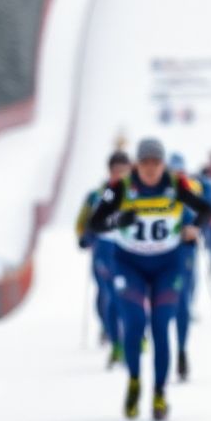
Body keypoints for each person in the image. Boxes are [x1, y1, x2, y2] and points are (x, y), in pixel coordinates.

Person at [90, 138, 211, 421]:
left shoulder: (175, 184)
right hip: (129, 263)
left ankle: (159, 392)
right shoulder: (121, 187)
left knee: (161, 327)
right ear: (137, 163)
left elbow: (206, 209)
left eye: (155, 163)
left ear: (163, 163)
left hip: (167, 265)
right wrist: (116, 221)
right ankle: (134, 381)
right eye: (144, 163)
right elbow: (96, 222)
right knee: (134, 324)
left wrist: (193, 229)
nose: (150, 169)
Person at [75, 150, 132, 366]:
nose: (120, 175)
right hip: (104, 249)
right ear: (110, 172)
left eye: (124, 171)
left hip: (128, 249)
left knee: (130, 293)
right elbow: (85, 220)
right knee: (108, 294)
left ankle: (133, 333)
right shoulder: (97, 195)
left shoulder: (137, 193)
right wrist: (83, 237)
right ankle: (113, 337)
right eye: (117, 171)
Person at [168, 152, 202, 381]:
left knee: (183, 302)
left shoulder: (192, 187)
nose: (177, 175)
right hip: (157, 254)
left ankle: (181, 350)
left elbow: (203, 211)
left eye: (180, 171)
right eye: (173, 171)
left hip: (184, 250)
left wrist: (196, 228)